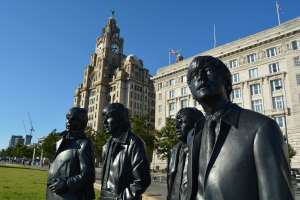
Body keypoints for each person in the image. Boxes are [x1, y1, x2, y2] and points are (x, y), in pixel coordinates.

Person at [186, 55, 294, 200]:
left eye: (208, 71)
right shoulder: (194, 134)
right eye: (193, 76)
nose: (200, 77)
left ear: (226, 81)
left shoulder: (261, 128)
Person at [100, 103, 151, 200]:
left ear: (119, 118)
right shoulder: (106, 146)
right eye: (103, 118)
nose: (104, 122)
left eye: (108, 117)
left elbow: (142, 181)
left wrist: (120, 198)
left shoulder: (134, 143)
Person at [46, 107, 95, 200]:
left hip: (69, 196)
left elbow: (88, 175)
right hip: (53, 195)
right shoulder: (61, 141)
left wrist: (66, 183)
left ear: (81, 122)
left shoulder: (83, 144)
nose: (69, 121)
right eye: (68, 118)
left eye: (73, 119)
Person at [167, 107, 204, 200]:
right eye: (176, 122)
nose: (176, 126)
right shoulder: (174, 151)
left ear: (196, 124)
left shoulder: (205, 149)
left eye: (181, 122)